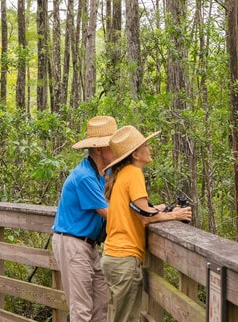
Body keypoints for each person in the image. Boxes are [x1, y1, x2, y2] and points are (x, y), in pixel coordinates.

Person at [100, 125, 192, 322]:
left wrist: (161, 208)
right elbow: (144, 216)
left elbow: (137, 210)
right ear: (135, 154)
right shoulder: (133, 173)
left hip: (112, 257)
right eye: (146, 145)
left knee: (116, 316)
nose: (150, 148)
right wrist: (174, 215)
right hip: (124, 258)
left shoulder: (121, 174)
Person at [52, 116, 117, 322]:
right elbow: (110, 213)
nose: (115, 151)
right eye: (111, 146)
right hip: (73, 243)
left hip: (89, 245)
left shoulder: (99, 174)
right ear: (98, 149)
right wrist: (147, 217)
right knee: (81, 310)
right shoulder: (84, 177)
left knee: (102, 303)